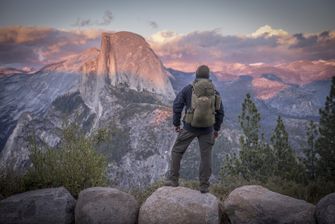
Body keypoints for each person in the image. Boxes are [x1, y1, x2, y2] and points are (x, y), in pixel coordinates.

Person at [165, 65, 224, 193]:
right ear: (208, 76)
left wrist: (176, 124)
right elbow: (220, 112)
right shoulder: (214, 91)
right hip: (208, 129)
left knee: (177, 151)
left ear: (196, 75)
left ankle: (173, 180)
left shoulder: (188, 89)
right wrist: (216, 129)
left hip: (189, 127)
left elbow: (177, 105)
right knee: (206, 157)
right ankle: (204, 186)